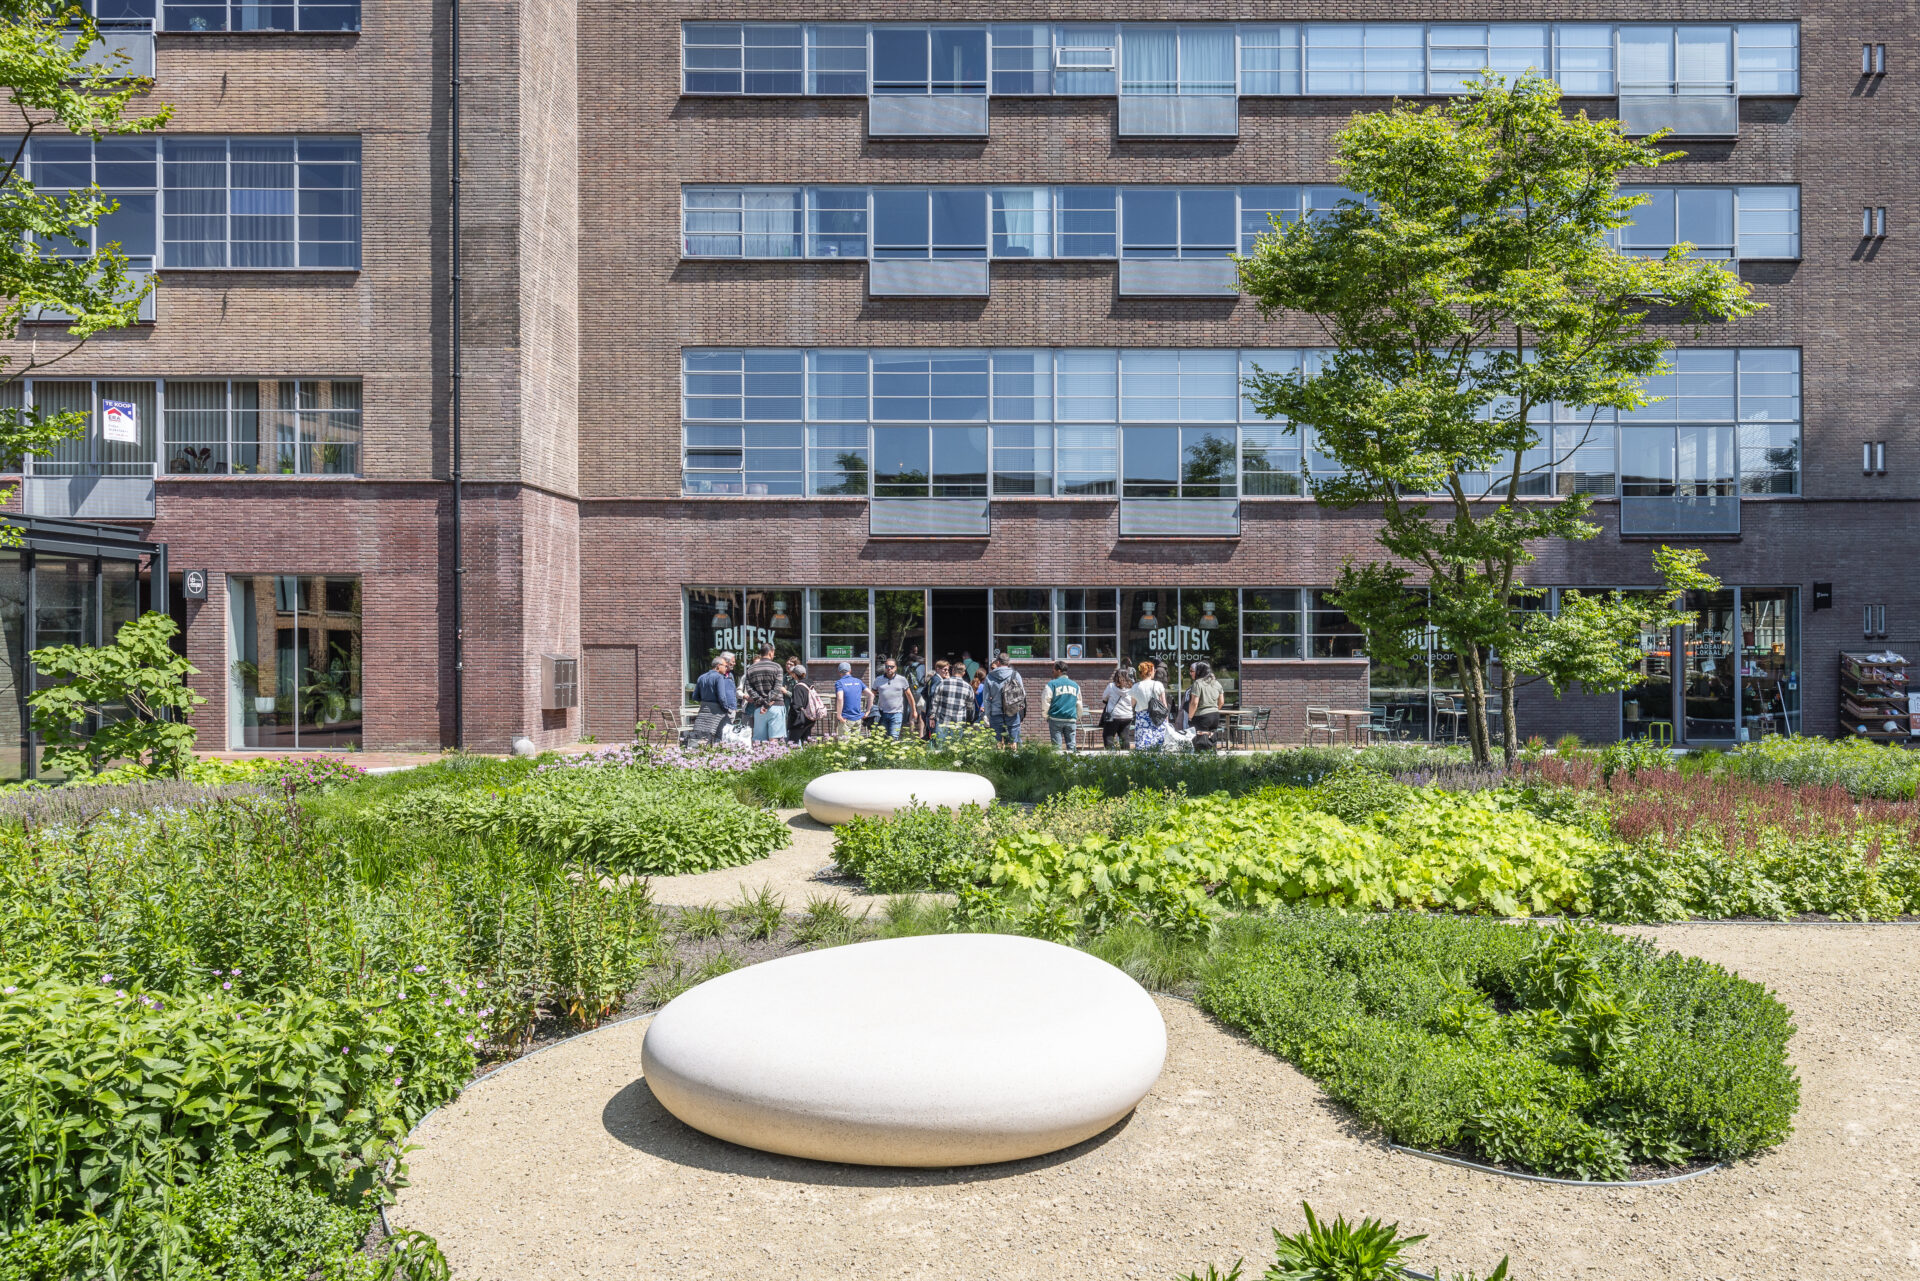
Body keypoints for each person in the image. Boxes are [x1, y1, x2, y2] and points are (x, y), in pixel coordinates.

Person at [741, 643, 787, 742]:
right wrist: (766, 704)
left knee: (758, 740)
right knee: (774, 740)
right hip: (776, 705)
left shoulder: (751, 668)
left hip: (758, 707)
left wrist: (761, 702)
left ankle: (760, 757)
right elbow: (777, 688)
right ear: (771, 653)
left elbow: (749, 689)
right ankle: (774, 757)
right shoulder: (777, 667)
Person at [691, 654, 737, 744]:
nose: (726, 668)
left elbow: (695, 696)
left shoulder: (701, 677)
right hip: (717, 712)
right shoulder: (719, 677)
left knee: (703, 735)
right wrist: (726, 709)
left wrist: (706, 698)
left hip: (704, 710)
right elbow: (722, 697)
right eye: (725, 666)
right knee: (721, 734)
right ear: (718, 666)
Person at [927, 660, 975, 744]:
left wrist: (932, 717)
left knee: (940, 748)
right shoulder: (968, 687)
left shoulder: (942, 683)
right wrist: (970, 720)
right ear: (963, 673)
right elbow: (970, 707)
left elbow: (934, 702)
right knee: (955, 749)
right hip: (958, 722)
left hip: (942, 721)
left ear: (952, 671)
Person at [868, 657, 917, 739]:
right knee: (883, 738)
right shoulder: (878, 680)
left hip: (897, 713)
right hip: (882, 713)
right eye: (887, 666)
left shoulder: (902, 680)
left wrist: (914, 711)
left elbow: (909, 696)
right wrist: (869, 710)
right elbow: (871, 695)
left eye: (892, 667)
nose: (889, 669)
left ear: (896, 668)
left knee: (893, 737)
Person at [984, 652, 1027, 745]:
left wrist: (987, 714)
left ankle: (999, 759)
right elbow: (1022, 694)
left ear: (998, 662)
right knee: (1013, 741)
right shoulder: (1015, 675)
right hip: (1012, 712)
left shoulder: (989, 677)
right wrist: (1018, 710)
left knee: (998, 742)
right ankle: (1014, 758)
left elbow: (986, 699)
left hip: (995, 713)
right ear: (1007, 662)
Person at [1043, 659, 1082, 752]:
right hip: (1071, 719)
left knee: (1056, 748)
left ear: (1059, 671)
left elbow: (1046, 701)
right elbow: (1079, 703)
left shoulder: (1051, 684)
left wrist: (1046, 716)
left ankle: (1058, 765)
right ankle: (1073, 765)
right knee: (1072, 747)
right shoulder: (1075, 685)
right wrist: (1077, 717)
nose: (1052, 672)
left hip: (1055, 718)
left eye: (1054, 670)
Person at [1186, 660, 1225, 752]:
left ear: (1199, 671)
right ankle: (1212, 758)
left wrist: (1190, 717)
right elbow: (1222, 702)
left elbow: (1194, 703)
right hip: (1215, 715)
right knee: (1212, 738)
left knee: (1201, 742)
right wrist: (1215, 709)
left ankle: (1201, 761)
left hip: (1201, 716)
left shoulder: (1198, 683)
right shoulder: (1216, 683)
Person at [1130, 659, 1169, 752]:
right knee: (1158, 743)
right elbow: (1164, 703)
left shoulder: (1136, 686)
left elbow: (1132, 704)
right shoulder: (1158, 684)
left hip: (1142, 718)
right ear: (1151, 671)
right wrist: (1166, 719)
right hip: (1157, 717)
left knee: (1142, 743)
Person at [785, 663, 822, 745]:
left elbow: (796, 705)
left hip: (800, 721)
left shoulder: (798, 687)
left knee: (792, 744)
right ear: (804, 674)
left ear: (795, 675)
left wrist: (794, 721)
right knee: (806, 742)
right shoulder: (809, 685)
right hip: (810, 719)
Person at [1100, 666, 1135, 751]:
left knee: (1108, 736)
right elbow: (1133, 702)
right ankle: (1126, 757)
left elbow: (1104, 698)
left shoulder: (1111, 686)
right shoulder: (1132, 688)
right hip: (1127, 716)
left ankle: (1111, 756)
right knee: (1125, 737)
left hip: (1113, 716)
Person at [833, 661, 867, 736]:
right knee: (855, 743)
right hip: (858, 718)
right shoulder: (858, 681)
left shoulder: (839, 683)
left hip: (845, 718)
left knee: (844, 744)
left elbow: (840, 698)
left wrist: (839, 715)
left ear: (839, 672)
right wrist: (867, 712)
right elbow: (871, 694)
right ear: (850, 671)